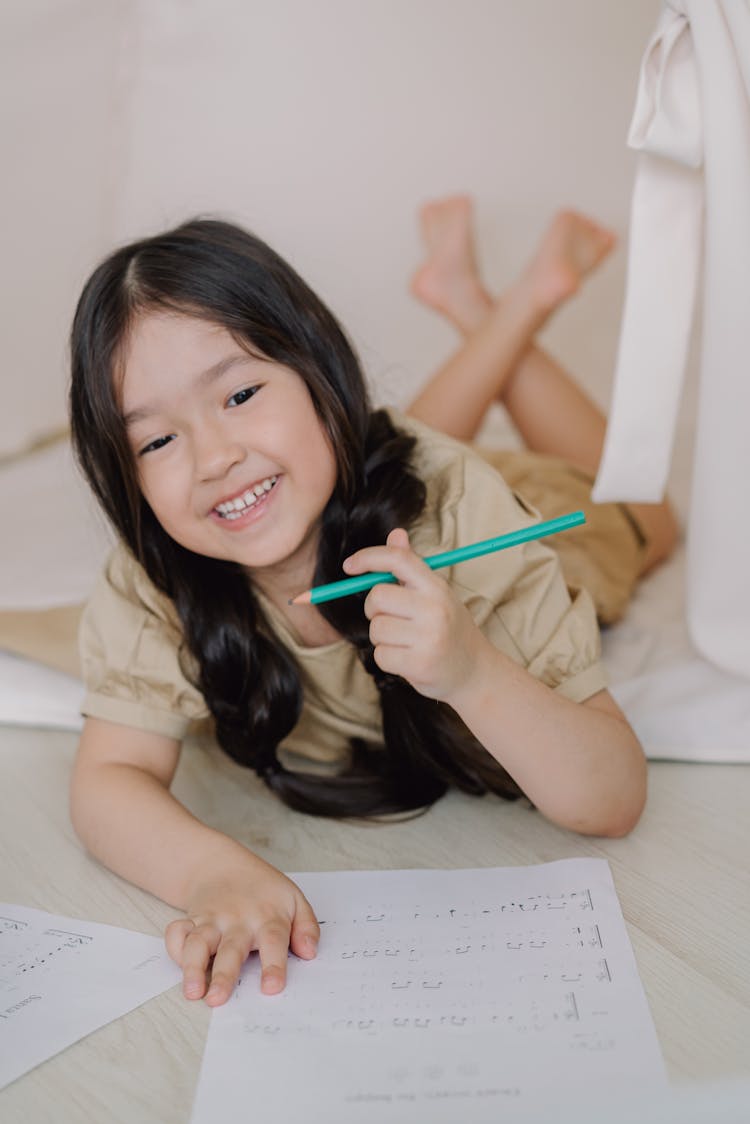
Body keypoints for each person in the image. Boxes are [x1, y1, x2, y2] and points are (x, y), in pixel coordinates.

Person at [67, 199, 676, 1011]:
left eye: (240, 394)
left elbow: (613, 798)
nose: (213, 457)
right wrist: (213, 870)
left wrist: (473, 674)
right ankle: (467, 300)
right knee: (379, 452)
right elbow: (108, 776)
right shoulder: (154, 575)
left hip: (536, 514)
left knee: (652, 518)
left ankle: (514, 303)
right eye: (157, 441)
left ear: (318, 370)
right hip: (381, 474)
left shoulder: (468, 512)